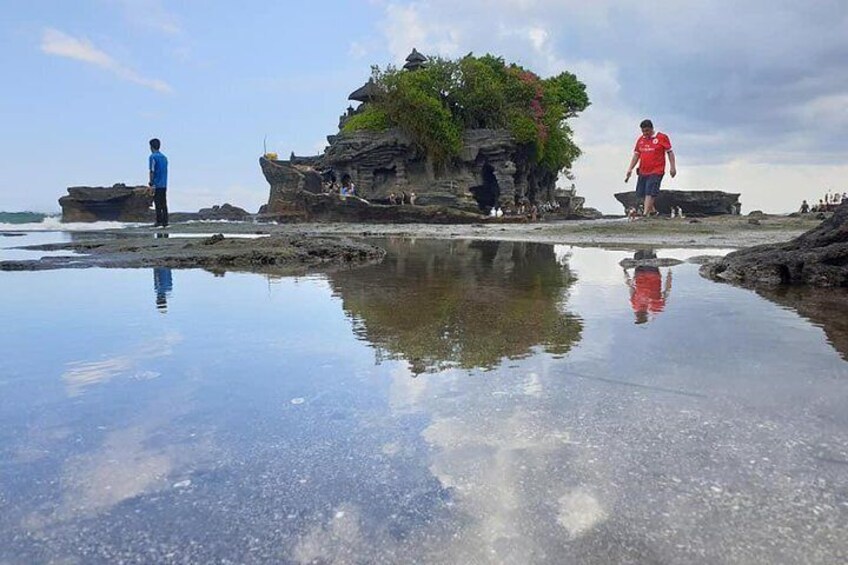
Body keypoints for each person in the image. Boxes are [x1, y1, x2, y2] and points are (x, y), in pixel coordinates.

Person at [625, 119, 676, 217]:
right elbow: (636, 155)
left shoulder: (661, 137)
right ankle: (653, 211)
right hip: (643, 170)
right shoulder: (641, 140)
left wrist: (672, 167)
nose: (645, 133)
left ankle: (645, 214)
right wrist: (630, 168)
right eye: (643, 131)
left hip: (656, 170)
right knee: (641, 192)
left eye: (647, 131)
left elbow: (670, 152)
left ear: (652, 128)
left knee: (650, 192)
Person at [148, 138, 169, 227]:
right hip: (164, 183)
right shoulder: (164, 158)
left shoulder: (152, 157)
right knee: (163, 203)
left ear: (151, 147)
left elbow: (152, 170)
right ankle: (165, 221)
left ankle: (159, 221)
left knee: (157, 203)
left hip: (157, 183)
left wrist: (151, 182)